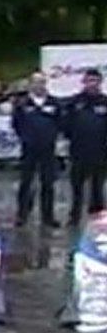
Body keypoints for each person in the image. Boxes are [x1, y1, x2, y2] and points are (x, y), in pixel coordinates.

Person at [13, 72, 61, 228]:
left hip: (48, 149)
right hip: (28, 149)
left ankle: (48, 217)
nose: (38, 85)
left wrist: (52, 137)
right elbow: (16, 123)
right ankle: (22, 215)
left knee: (48, 183)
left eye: (41, 82)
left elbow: (60, 122)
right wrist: (25, 137)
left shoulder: (54, 103)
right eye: (35, 82)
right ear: (30, 84)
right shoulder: (22, 104)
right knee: (26, 182)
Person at [64, 68, 107, 225]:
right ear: (84, 82)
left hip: (100, 152)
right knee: (76, 187)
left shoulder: (105, 102)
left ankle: (98, 217)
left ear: (100, 82)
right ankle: (74, 216)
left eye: (95, 81)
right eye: (89, 81)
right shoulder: (75, 102)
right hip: (78, 151)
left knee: (97, 187)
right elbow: (66, 125)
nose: (92, 84)